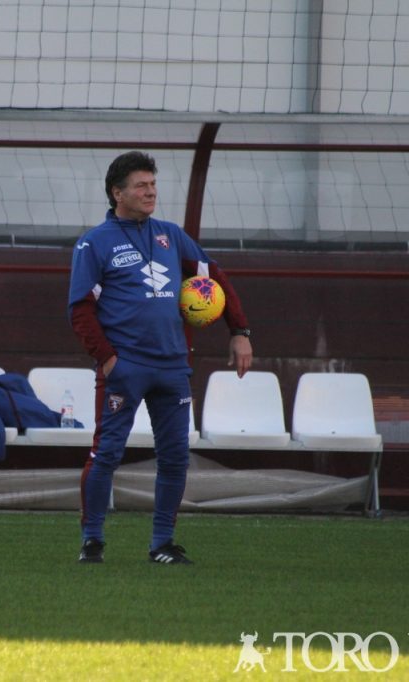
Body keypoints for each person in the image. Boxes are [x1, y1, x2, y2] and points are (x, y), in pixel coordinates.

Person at [68, 151, 253, 565]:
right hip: (125, 368)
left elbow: (214, 277)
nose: (150, 192)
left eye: (153, 185)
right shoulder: (94, 242)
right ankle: (92, 540)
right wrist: (108, 359)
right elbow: (80, 309)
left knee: (174, 456)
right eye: (141, 186)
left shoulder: (171, 235)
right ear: (117, 193)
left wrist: (239, 331)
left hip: (172, 367)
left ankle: (162, 544)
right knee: (107, 454)